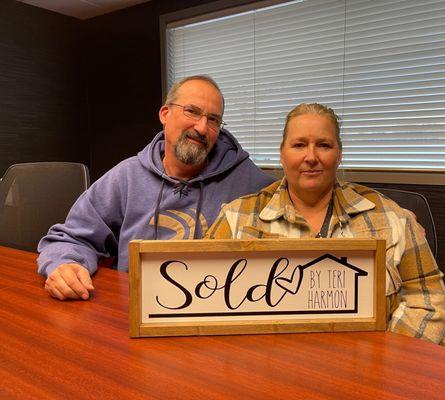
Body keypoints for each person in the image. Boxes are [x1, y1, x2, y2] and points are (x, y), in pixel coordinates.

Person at [205, 103, 445, 349]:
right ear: (282, 153)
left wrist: (387, 357)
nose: (311, 157)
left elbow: (427, 296)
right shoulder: (237, 218)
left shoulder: (391, 216)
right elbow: (205, 305)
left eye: (324, 145)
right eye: (299, 145)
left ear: (339, 154)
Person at [38, 75, 275, 301]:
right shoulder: (127, 176)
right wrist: (65, 263)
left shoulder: (247, 180)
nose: (202, 128)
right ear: (165, 113)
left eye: (213, 120)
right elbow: (71, 237)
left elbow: (296, 211)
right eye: (192, 111)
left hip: (214, 313)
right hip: (135, 310)